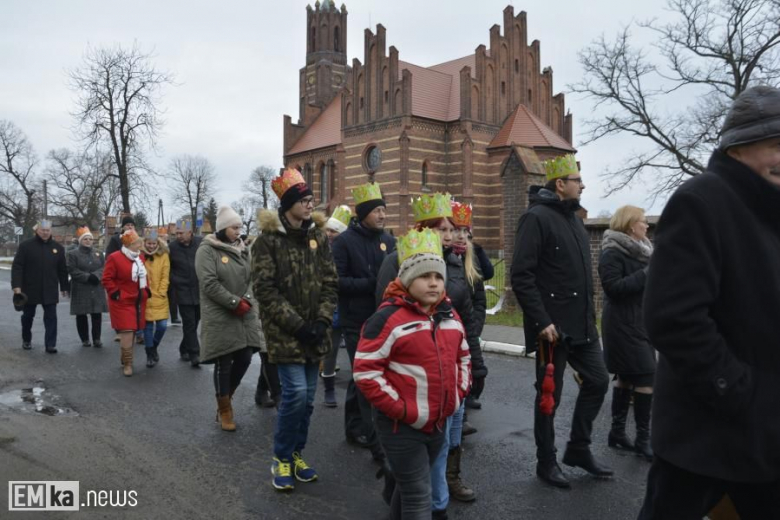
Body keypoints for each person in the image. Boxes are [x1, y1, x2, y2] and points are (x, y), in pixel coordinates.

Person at [637, 86, 780, 519]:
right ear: (738, 149)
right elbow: (672, 317)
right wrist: (738, 390)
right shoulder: (702, 200)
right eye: (777, 145)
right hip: (706, 434)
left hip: (764, 437)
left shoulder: (769, 208)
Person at [375, 193, 486, 514]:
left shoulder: (455, 262)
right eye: (441, 229)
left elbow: (463, 318)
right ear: (424, 230)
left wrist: (473, 370)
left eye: (452, 229)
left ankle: (430, 492)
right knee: (418, 466)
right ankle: (433, 504)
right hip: (411, 380)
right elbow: (382, 317)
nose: (450, 235)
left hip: (448, 374)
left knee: (446, 443)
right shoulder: (397, 260)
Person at [355, 228, 471, 520]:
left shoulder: (449, 316)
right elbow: (366, 371)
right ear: (407, 279)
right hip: (401, 426)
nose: (433, 283)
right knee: (419, 495)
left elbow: (464, 357)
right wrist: (403, 409)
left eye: (438, 276)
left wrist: (456, 397)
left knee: (408, 489)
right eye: (424, 276)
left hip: (439, 422)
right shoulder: (387, 318)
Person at [510, 154, 611, 489]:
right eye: (577, 179)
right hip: (551, 330)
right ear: (560, 184)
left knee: (598, 380)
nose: (583, 184)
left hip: (582, 327)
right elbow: (521, 275)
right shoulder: (535, 218)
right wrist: (541, 321)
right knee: (548, 397)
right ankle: (546, 462)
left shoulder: (576, 220)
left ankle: (579, 448)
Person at [252, 168, 338, 491]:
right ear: (288, 205)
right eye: (302, 200)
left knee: (308, 401)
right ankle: (282, 456)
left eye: (310, 199)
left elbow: (331, 281)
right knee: (296, 395)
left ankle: (297, 453)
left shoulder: (318, 237)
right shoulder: (268, 242)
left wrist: (322, 321)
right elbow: (266, 291)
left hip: (315, 332)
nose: (308, 204)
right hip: (286, 334)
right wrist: (299, 325)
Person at [332, 182, 395, 459]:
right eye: (377, 210)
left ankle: (354, 426)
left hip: (385, 318)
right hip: (356, 319)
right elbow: (337, 280)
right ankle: (373, 437)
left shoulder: (389, 241)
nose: (382, 215)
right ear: (364, 213)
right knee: (365, 375)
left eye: (384, 210)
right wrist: (370, 284)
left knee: (366, 375)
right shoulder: (345, 241)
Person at [196, 207, 264, 432]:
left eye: (240, 227)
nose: (238, 231)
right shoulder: (207, 250)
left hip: (243, 312)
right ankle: (224, 409)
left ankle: (227, 397)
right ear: (223, 228)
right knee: (224, 361)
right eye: (234, 227)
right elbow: (209, 283)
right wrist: (234, 303)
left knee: (245, 356)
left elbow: (251, 278)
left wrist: (246, 299)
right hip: (221, 312)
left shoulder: (243, 249)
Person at [597, 205, 654, 461]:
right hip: (621, 325)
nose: (647, 226)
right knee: (646, 377)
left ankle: (617, 433)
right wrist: (646, 275)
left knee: (627, 378)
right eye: (643, 221)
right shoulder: (612, 252)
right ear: (631, 225)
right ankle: (643, 439)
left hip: (640, 322)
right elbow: (613, 289)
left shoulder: (644, 251)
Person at [11, 220, 69, 353]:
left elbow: (62, 270)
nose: (45, 232)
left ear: (51, 231)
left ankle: (50, 344)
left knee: (51, 317)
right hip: (29, 288)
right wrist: (17, 286)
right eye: (43, 230)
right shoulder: (26, 246)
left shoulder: (58, 248)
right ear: (37, 230)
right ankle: (26, 339)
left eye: (47, 230)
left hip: (50, 288)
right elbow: (17, 267)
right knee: (27, 316)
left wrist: (64, 287)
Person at [103, 229, 149, 377]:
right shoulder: (115, 258)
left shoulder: (140, 258)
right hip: (122, 301)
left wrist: (147, 290)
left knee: (133, 331)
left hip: (138, 301)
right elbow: (106, 279)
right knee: (128, 331)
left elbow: (144, 276)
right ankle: (128, 364)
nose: (140, 245)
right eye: (137, 243)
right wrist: (116, 293)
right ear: (129, 244)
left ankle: (125, 355)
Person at [320, 204, 353, 408]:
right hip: (330, 306)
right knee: (329, 352)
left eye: (334, 231)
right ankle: (329, 389)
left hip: (348, 305)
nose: (330, 234)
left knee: (354, 352)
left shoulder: (349, 248)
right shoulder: (320, 249)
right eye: (328, 230)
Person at [66, 226, 107, 348]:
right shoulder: (72, 254)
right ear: (80, 240)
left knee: (96, 314)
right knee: (81, 314)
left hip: (96, 286)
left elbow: (104, 267)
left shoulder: (99, 253)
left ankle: (97, 339)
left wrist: (96, 276)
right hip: (81, 286)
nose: (88, 241)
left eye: (90, 239)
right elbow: (71, 269)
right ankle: (84, 339)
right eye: (85, 239)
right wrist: (87, 277)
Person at [169, 220, 203, 367]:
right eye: (177, 233)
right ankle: (195, 354)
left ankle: (184, 348)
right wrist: (175, 280)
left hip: (199, 290)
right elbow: (167, 268)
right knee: (189, 323)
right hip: (181, 291)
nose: (178, 236)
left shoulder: (201, 243)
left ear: (190, 232)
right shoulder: (172, 248)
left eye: (181, 233)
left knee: (195, 322)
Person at [142, 228, 171, 368]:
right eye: (149, 243)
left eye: (154, 244)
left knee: (162, 326)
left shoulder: (163, 255)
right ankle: (149, 354)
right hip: (145, 296)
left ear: (157, 243)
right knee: (147, 327)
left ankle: (153, 347)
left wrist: (162, 291)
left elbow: (166, 275)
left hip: (160, 296)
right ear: (145, 242)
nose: (151, 246)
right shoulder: (139, 255)